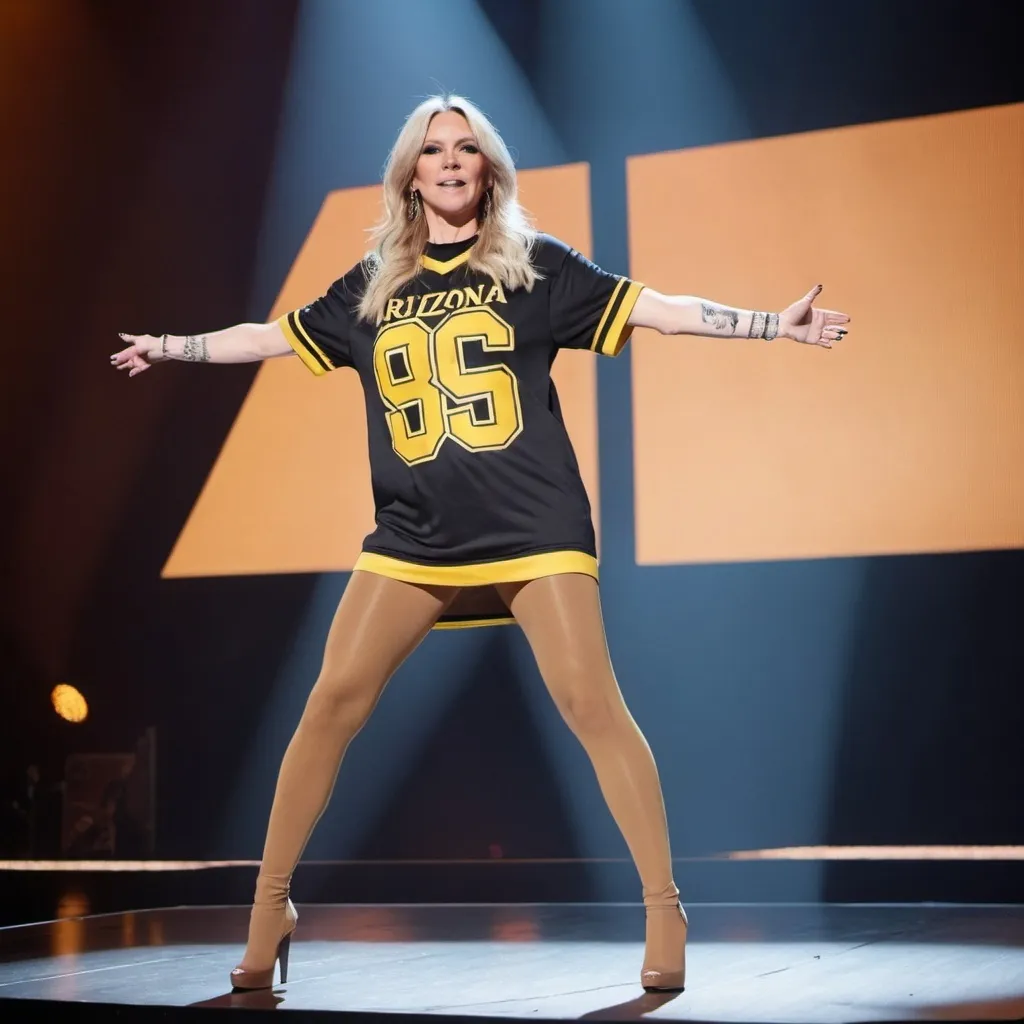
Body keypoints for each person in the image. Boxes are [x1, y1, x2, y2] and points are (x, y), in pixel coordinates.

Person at [112, 94, 850, 993]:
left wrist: (775, 323)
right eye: (434, 151)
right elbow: (268, 337)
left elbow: (658, 309)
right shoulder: (372, 282)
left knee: (590, 703)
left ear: (489, 169)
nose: (452, 162)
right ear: (410, 174)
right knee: (331, 703)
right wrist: (172, 346)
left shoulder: (534, 268)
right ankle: (271, 906)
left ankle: (664, 906)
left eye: (467, 148)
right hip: (416, 537)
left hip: (534, 530)